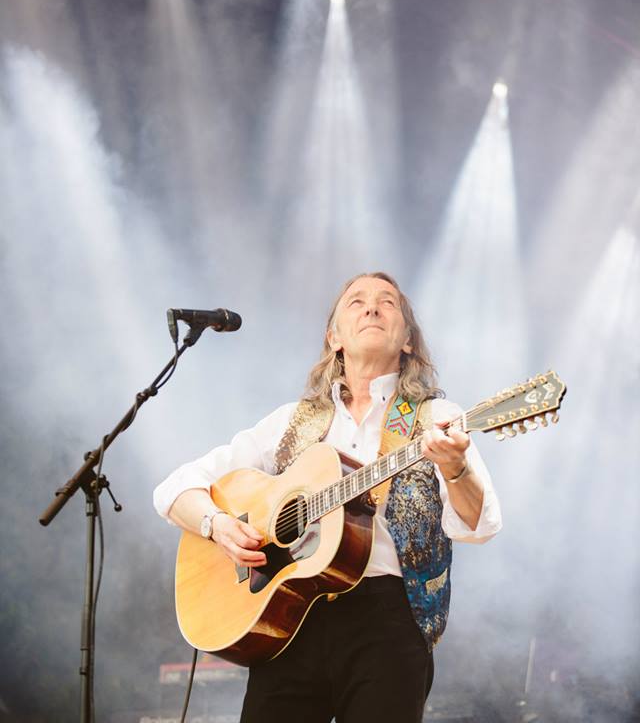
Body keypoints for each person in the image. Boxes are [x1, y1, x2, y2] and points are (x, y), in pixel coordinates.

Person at [154, 271, 502, 723]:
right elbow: (176, 487)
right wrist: (217, 525)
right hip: (289, 618)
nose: (372, 307)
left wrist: (455, 468)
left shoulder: (439, 418)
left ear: (409, 340)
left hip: (388, 623)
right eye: (356, 302)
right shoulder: (289, 422)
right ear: (334, 337)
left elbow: (480, 526)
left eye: (387, 302)